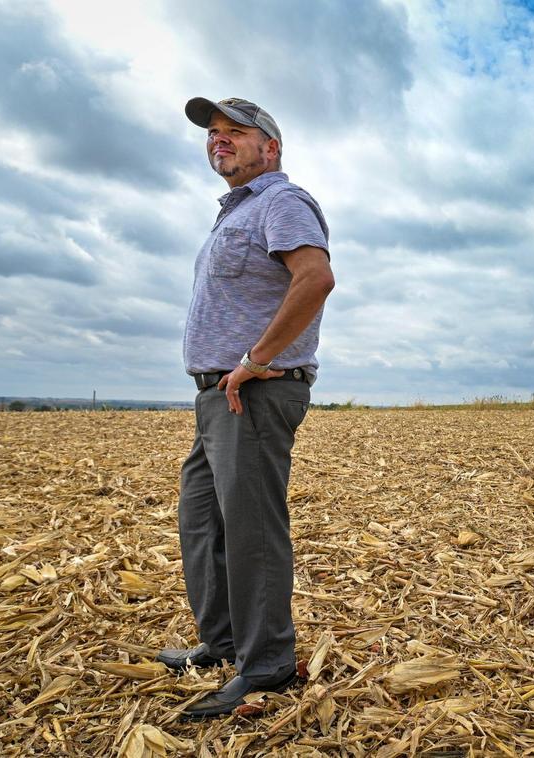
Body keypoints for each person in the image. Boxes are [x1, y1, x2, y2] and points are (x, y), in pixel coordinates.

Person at [155, 97, 334, 719]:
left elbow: (315, 278)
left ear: (271, 147)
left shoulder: (283, 202)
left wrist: (257, 359)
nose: (219, 140)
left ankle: (267, 665)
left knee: (251, 529)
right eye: (213, 133)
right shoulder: (236, 214)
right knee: (203, 521)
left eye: (236, 132)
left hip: (252, 392)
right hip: (218, 395)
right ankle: (226, 643)